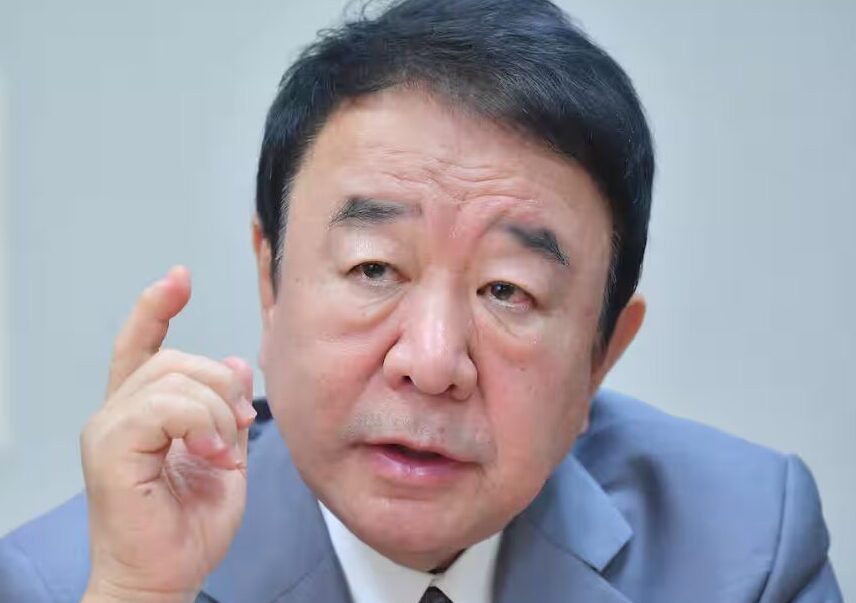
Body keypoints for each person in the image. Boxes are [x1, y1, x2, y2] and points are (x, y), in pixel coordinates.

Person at [0, 0, 844, 601]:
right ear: (271, 281)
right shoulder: (72, 580)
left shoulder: (746, 553)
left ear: (602, 355)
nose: (432, 362)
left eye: (507, 289)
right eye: (375, 269)